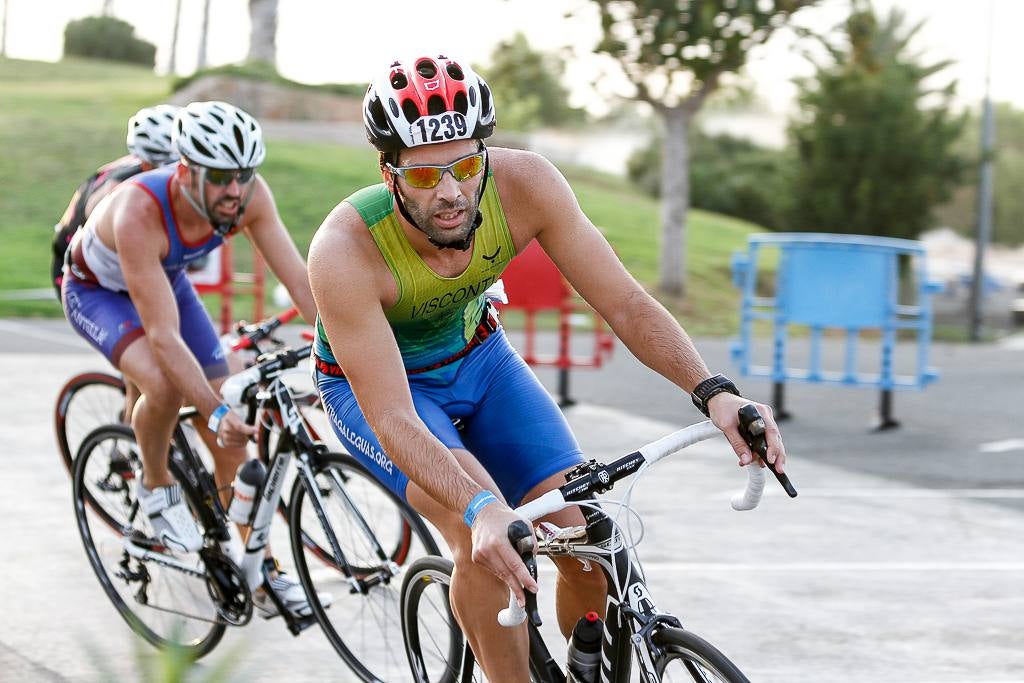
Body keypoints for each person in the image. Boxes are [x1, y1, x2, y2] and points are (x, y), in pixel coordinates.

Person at [307, 55, 788, 680]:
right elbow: (394, 416)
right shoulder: (344, 250)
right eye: (425, 173)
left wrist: (715, 393)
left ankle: (586, 663)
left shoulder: (526, 185)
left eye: (466, 165)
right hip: (382, 392)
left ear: (486, 153)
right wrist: (483, 509)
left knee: (583, 532)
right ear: (389, 172)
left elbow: (625, 303)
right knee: (484, 539)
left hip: (481, 358)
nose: (450, 192)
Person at [62, 100, 322, 618]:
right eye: (222, 177)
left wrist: (338, 349)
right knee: (165, 386)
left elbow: (297, 278)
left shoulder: (249, 196)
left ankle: (260, 567)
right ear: (186, 172)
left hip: (165, 276)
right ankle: (155, 484)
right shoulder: (139, 209)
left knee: (228, 432)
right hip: (97, 292)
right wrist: (216, 411)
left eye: (244, 176)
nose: (235, 190)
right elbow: (162, 337)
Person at [51, 104, 181, 297]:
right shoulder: (120, 185)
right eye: (172, 164)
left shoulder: (141, 167)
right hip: (77, 269)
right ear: (148, 163)